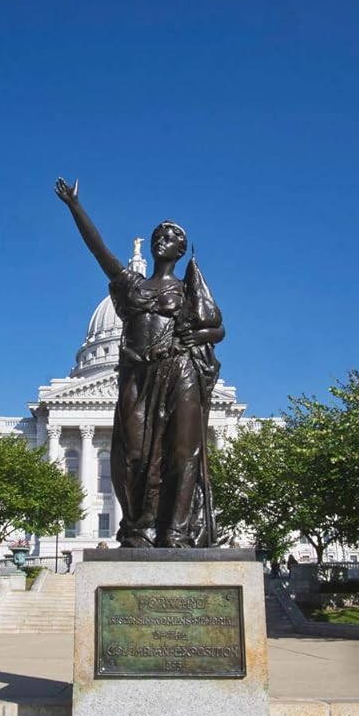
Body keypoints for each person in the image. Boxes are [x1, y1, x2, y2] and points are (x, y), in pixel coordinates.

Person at [55, 178, 225, 548]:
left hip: (178, 370)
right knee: (132, 453)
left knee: (183, 451)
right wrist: (75, 207)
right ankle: (138, 526)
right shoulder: (131, 285)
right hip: (137, 374)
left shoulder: (188, 290)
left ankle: (176, 530)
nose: (160, 238)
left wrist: (200, 337)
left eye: (170, 235)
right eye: (156, 234)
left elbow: (215, 327)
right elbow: (99, 251)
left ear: (181, 248)